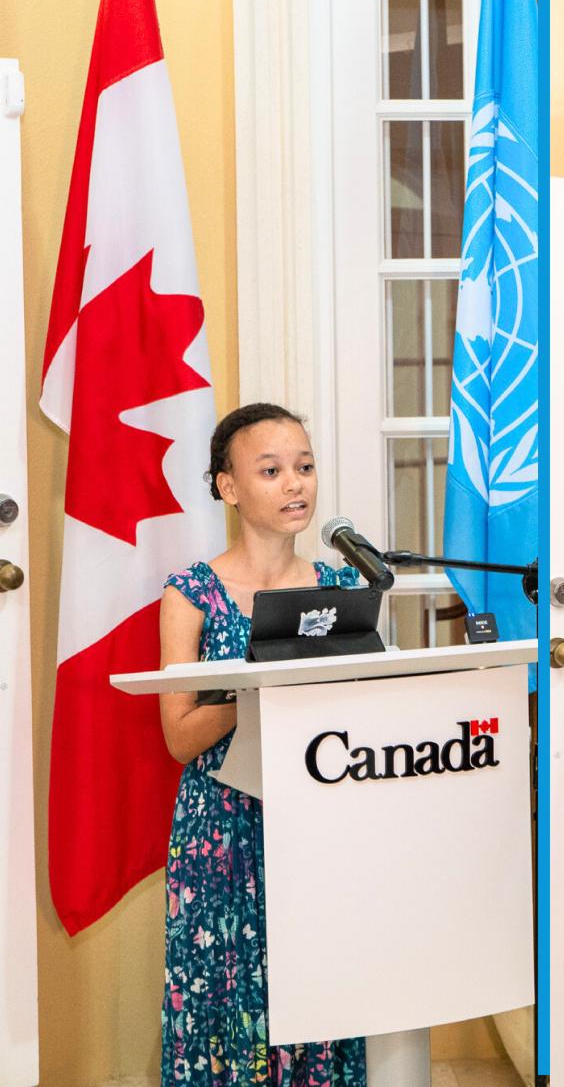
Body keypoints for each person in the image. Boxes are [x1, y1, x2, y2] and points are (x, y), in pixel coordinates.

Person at [157, 403, 368, 1085]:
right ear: (228, 486)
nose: (295, 484)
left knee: (317, 988)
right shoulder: (192, 594)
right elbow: (178, 735)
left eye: (304, 467)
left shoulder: (340, 588)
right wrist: (249, 687)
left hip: (318, 817)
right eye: (271, 470)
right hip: (223, 828)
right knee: (230, 1004)